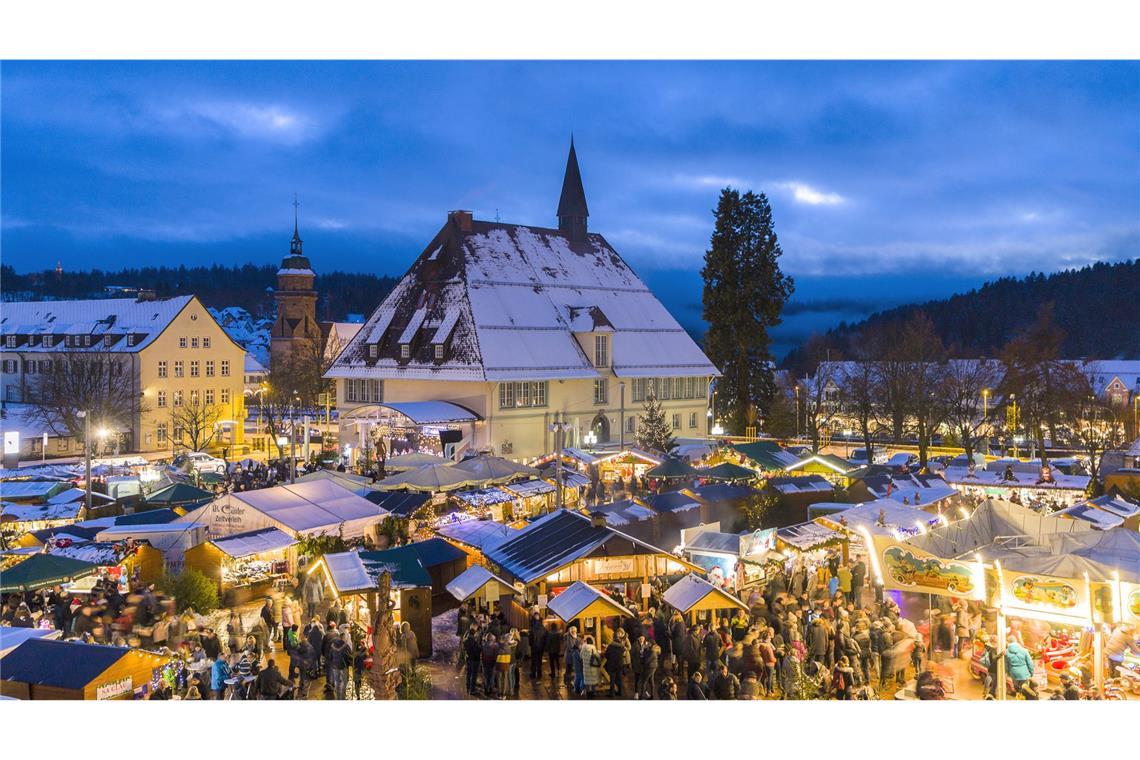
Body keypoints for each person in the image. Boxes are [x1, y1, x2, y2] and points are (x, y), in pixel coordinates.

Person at [463, 626, 483, 695]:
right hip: (474, 659)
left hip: (468, 658)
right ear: (473, 634)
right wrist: (480, 648)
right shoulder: (474, 641)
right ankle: (472, 690)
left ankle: (468, 687)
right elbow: (477, 650)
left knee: (469, 673)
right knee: (474, 675)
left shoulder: (465, 640)